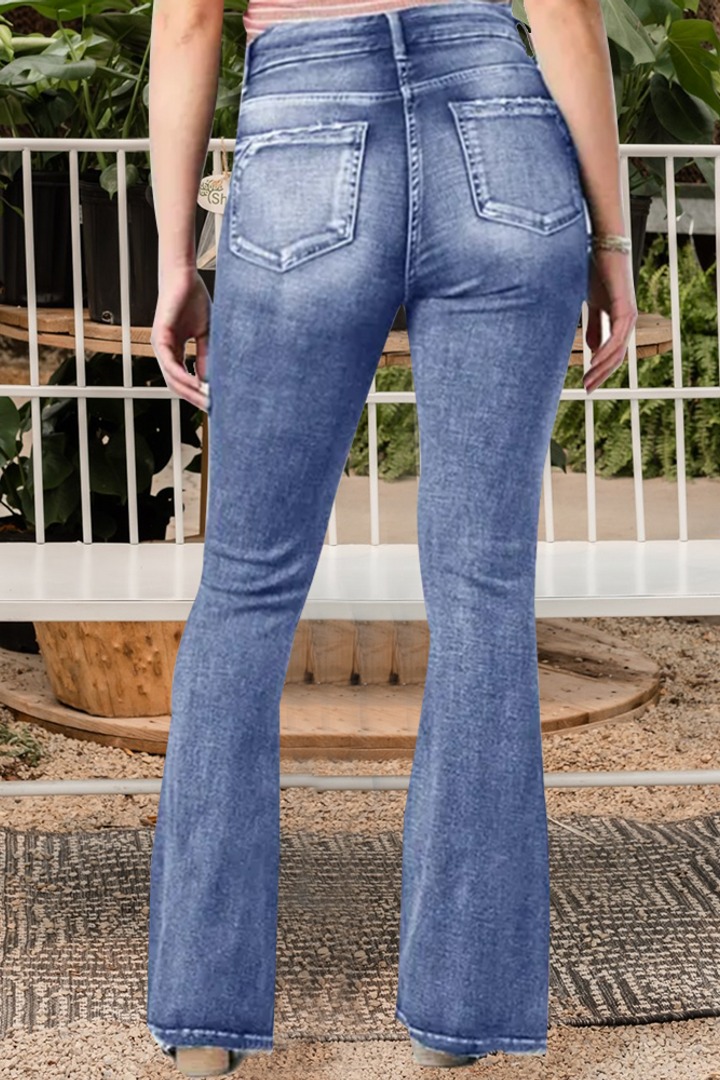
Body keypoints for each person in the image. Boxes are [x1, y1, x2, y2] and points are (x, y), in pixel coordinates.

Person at [146, 0, 638, 1074]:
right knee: (483, 589)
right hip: (502, 136)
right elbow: (565, 12)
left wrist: (177, 256)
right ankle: (460, 1022)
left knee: (246, 588)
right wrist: (611, 239)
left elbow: (185, 26)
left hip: (304, 140)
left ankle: (204, 1020)